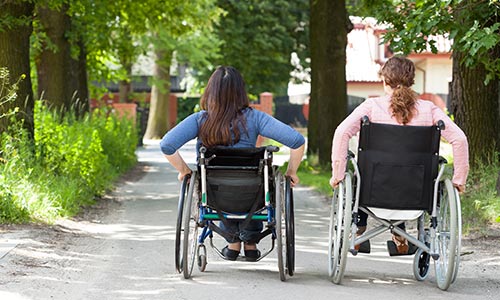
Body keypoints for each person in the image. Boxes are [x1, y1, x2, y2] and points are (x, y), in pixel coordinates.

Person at [160, 66, 305, 261]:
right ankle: (250, 243)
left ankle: (232, 243)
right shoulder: (256, 117)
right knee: (256, 187)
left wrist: (184, 171)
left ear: (210, 92)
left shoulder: (200, 120)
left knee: (218, 188)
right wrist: (291, 172)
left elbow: (167, 144)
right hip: (252, 192)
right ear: (241, 92)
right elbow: (297, 141)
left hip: (214, 192)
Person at [329, 56, 469, 254]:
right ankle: (400, 236)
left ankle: (359, 228)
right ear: (412, 82)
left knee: (363, 173)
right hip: (417, 194)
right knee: (406, 174)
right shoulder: (429, 110)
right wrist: (459, 179)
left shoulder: (371, 107)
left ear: (385, 81)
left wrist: (338, 174)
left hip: (372, 191)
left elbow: (342, 133)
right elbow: (460, 139)